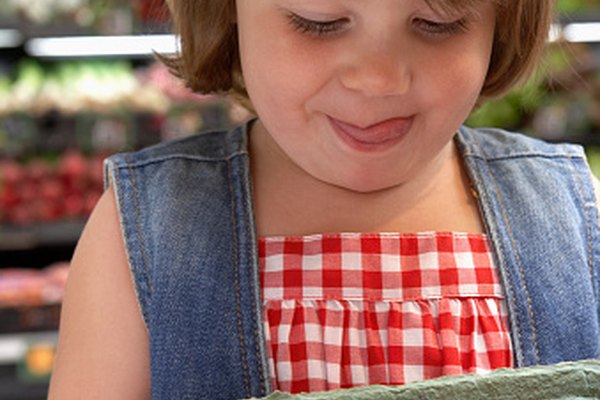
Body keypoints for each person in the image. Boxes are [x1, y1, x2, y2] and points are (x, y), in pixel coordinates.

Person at [48, 0, 600, 399]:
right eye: (318, 22)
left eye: (438, 24)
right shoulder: (145, 229)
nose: (378, 79)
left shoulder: (572, 214)